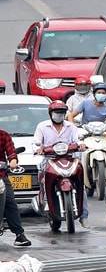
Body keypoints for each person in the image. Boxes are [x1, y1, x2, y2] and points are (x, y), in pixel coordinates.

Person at [34, 101, 90, 229]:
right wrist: (39, 149)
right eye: (56, 112)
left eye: (61, 113)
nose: (59, 115)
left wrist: (80, 144)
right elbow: (36, 142)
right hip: (49, 160)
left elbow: (77, 140)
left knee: (80, 183)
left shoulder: (71, 127)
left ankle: (84, 216)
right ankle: (48, 206)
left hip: (69, 159)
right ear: (50, 113)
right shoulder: (42, 126)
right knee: (44, 181)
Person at [0, 129, 31, 246]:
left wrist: (13, 160)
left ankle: (19, 235)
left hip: (1, 177)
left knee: (10, 203)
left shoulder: (3, 135)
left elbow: (11, 152)